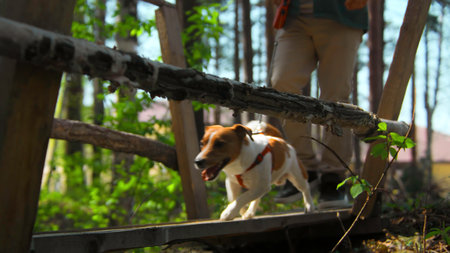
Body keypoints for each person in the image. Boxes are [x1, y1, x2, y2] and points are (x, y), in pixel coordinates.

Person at [270, 0, 368, 209]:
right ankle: (304, 168)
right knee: (282, 85)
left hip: (340, 15)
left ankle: (333, 177)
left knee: (336, 94)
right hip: (294, 17)